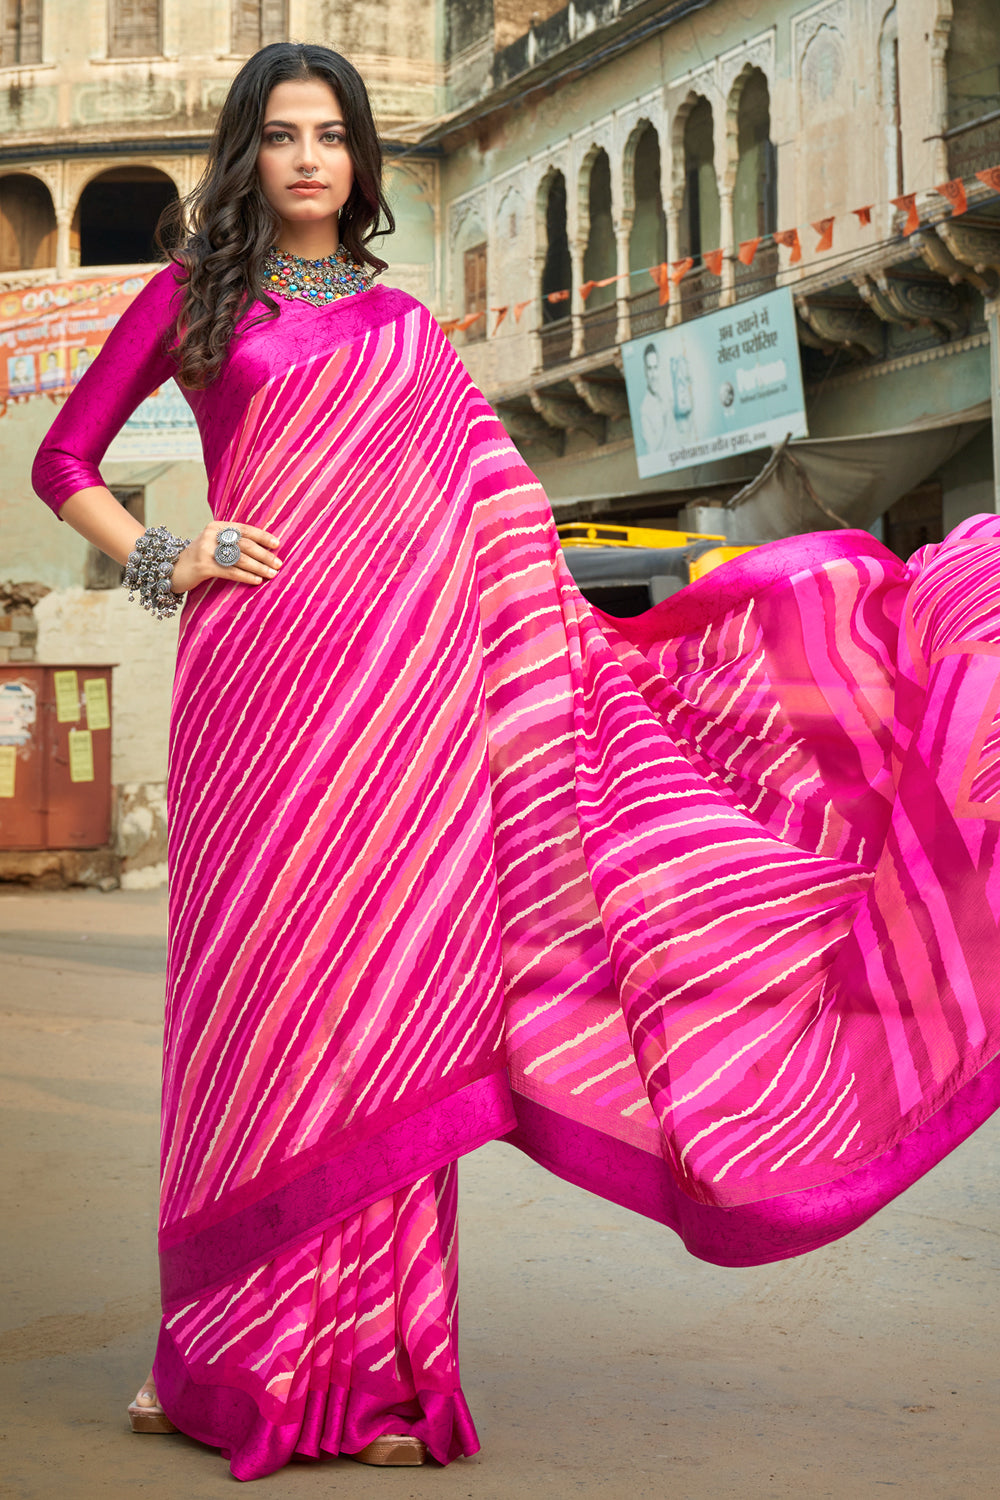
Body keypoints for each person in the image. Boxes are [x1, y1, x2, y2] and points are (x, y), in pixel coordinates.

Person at [32, 41, 1000, 1485]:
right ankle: (221, 1357)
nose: (309, 159)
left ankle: (373, 1363)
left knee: (388, 1003)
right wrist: (175, 552)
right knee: (257, 1007)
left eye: (332, 137)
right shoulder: (192, 300)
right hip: (252, 699)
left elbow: (502, 532)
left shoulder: (410, 333)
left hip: (405, 710)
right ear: (247, 154)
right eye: (283, 136)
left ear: (360, 160)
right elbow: (66, 464)